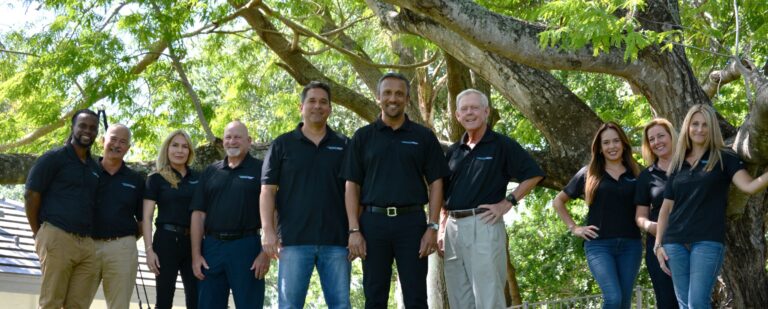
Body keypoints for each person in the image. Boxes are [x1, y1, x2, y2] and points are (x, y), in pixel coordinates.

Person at [342, 72, 450, 308]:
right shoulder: (362, 137)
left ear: (407, 98)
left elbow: (436, 183)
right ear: (378, 97)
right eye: (388, 93)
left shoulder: (423, 137)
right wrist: (354, 230)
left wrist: (433, 226)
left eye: (399, 93)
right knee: (374, 295)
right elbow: (352, 185)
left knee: (416, 297)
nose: (393, 98)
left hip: (412, 224)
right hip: (372, 223)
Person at [654, 104, 768, 308]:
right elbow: (665, 209)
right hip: (674, 243)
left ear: (712, 128)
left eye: (705, 125)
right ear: (687, 127)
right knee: (684, 304)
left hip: (707, 241)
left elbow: (749, 186)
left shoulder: (725, 158)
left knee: (697, 302)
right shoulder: (678, 162)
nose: (699, 129)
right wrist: (658, 245)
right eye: (695, 124)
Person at [441, 89, 544, 309]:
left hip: (484, 224)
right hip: (452, 229)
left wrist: (507, 203)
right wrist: (442, 228)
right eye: (464, 109)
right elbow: (444, 194)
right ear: (457, 115)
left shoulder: (502, 145)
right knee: (459, 299)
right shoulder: (453, 152)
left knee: (489, 299)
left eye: (475, 108)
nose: (470, 113)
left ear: (486, 111)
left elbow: (534, 174)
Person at [260, 81, 351, 309]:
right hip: (292, 241)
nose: (317, 106)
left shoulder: (344, 145)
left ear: (330, 108)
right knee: (289, 306)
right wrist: (268, 232)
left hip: (336, 242)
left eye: (323, 102)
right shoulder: (282, 144)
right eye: (311, 101)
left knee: (341, 305)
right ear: (301, 106)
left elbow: (355, 191)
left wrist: (354, 232)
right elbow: (267, 191)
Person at [552, 122, 642, 309]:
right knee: (613, 298)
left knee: (624, 302)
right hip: (599, 245)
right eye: (606, 143)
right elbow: (558, 201)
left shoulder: (636, 173)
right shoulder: (589, 173)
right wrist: (574, 228)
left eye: (616, 141)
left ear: (624, 144)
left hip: (631, 245)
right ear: (600, 148)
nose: (612, 146)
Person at [24, 109, 101, 309]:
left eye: (93, 128)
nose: (87, 131)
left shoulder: (95, 167)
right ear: (73, 127)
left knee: (78, 305)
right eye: (83, 125)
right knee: (51, 302)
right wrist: (39, 233)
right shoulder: (54, 158)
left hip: (86, 244)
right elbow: (31, 195)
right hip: (57, 236)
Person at [190, 121, 270, 308]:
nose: (232, 141)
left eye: (237, 137)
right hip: (211, 249)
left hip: (247, 248)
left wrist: (265, 254)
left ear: (249, 141)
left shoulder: (262, 170)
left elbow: (274, 211)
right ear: (223, 141)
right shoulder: (211, 171)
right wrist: (196, 255)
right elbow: (198, 214)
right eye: (228, 137)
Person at [87, 124, 145, 309]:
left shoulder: (136, 179)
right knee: (74, 302)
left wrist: (125, 241)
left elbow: (143, 220)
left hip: (122, 248)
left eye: (122, 142)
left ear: (128, 148)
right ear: (103, 140)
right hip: (85, 246)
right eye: (113, 139)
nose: (117, 145)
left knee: (119, 306)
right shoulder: (86, 170)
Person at [142, 130, 199, 309]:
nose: (179, 150)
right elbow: (147, 217)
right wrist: (149, 251)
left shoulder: (199, 177)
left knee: (196, 298)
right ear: (167, 149)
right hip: (166, 241)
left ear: (190, 151)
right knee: (164, 299)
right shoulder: (156, 179)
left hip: (194, 242)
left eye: (184, 146)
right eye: (175, 145)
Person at [634, 119, 678, 309]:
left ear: (671, 136)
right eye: (651, 139)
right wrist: (653, 227)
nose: (657, 142)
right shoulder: (647, 176)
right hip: (660, 248)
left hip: (693, 242)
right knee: (667, 302)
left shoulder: (690, 166)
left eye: (661, 136)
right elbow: (640, 217)